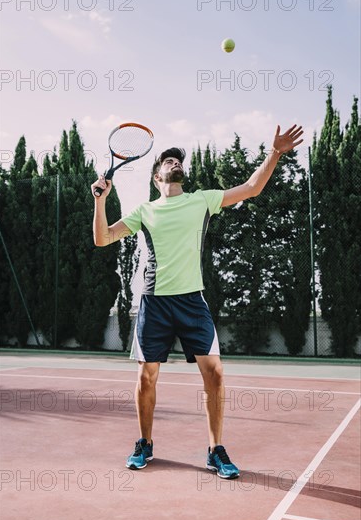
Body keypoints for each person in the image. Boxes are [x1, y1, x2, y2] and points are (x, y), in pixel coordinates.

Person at [91, 124, 304, 479]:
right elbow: (103, 238)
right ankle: (145, 443)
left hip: (192, 302)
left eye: (178, 160)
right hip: (154, 303)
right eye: (168, 160)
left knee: (216, 374)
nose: (174, 162)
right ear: (157, 173)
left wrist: (275, 153)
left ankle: (215, 450)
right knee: (146, 378)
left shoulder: (202, 199)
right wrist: (99, 200)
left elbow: (252, 189)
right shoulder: (145, 210)